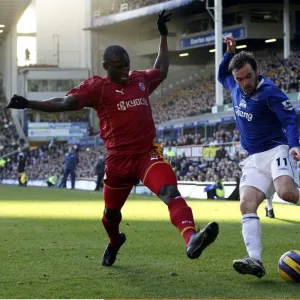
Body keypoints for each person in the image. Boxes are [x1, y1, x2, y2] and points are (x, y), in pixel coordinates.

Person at [6, 10, 219, 267]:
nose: (126, 69)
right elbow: (64, 101)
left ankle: (191, 238)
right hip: (118, 162)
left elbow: (160, 70)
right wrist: (30, 103)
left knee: (169, 191)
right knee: (110, 215)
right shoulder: (97, 88)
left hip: (145, 155)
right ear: (107, 67)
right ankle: (115, 241)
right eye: (120, 66)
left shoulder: (139, 80)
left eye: (128, 63)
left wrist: (163, 34)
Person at [218, 36, 300, 279]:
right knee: (246, 204)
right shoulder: (233, 86)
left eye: (248, 77)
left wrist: (295, 145)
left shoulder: (270, 92)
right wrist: (228, 52)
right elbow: (221, 73)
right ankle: (254, 260)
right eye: (240, 79)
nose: (244, 83)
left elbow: (290, 118)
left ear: (257, 71)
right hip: (254, 158)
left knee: (286, 192)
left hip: (277, 149)